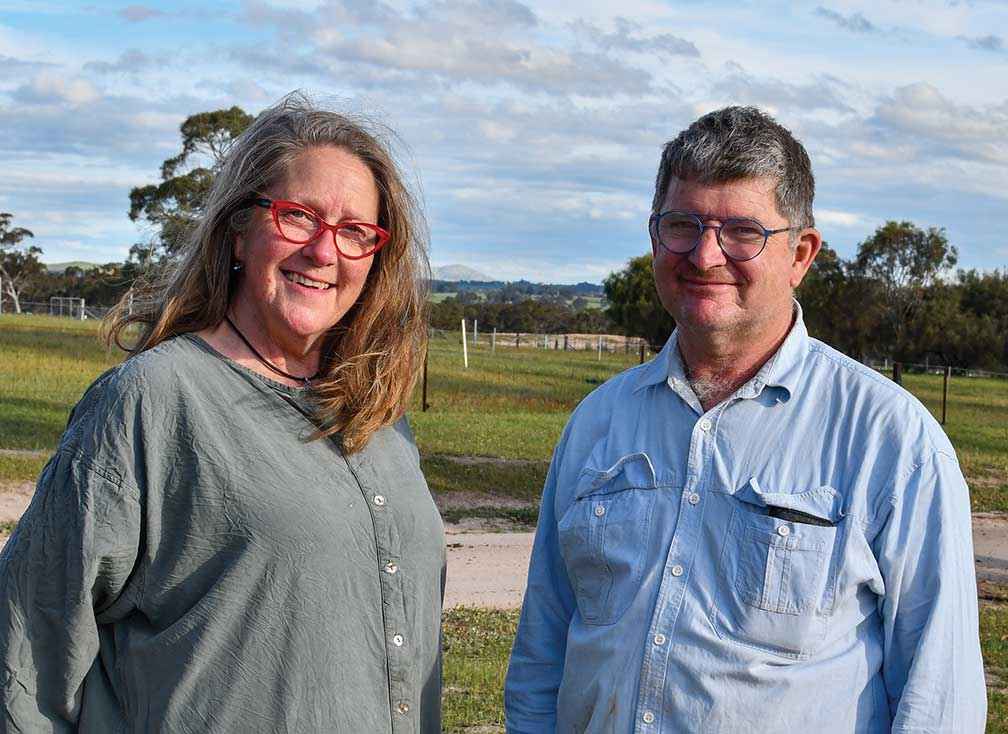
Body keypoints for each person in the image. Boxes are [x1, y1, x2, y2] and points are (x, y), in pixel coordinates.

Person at [505, 106, 986, 732]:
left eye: (742, 232)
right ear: (655, 235)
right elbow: (544, 649)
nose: (705, 255)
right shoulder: (598, 423)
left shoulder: (890, 439)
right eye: (683, 225)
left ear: (801, 254)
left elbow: (938, 695)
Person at [0, 93, 444, 733]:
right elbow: (28, 649)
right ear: (240, 230)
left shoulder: (379, 417)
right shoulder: (151, 402)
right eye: (298, 217)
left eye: (354, 232)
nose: (324, 253)